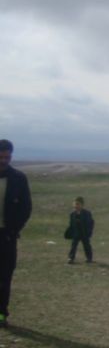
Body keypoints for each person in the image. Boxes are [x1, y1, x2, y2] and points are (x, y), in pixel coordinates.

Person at [0, 140, 32, 328]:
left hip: (7, 236)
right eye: (1, 157)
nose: (4, 160)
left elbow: (26, 207)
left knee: (4, 275)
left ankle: (2, 311)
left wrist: (14, 230)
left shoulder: (18, 178)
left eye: (7, 157)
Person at [65, 196, 94, 264]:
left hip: (84, 233)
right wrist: (70, 232)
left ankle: (89, 258)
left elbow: (91, 223)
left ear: (82, 205)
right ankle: (71, 258)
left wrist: (89, 232)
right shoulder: (72, 214)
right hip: (76, 233)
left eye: (78, 204)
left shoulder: (87, 213)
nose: (76, 206)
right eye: (75, 204)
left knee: (87, 246)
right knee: (73, 246)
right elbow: (71, 224)